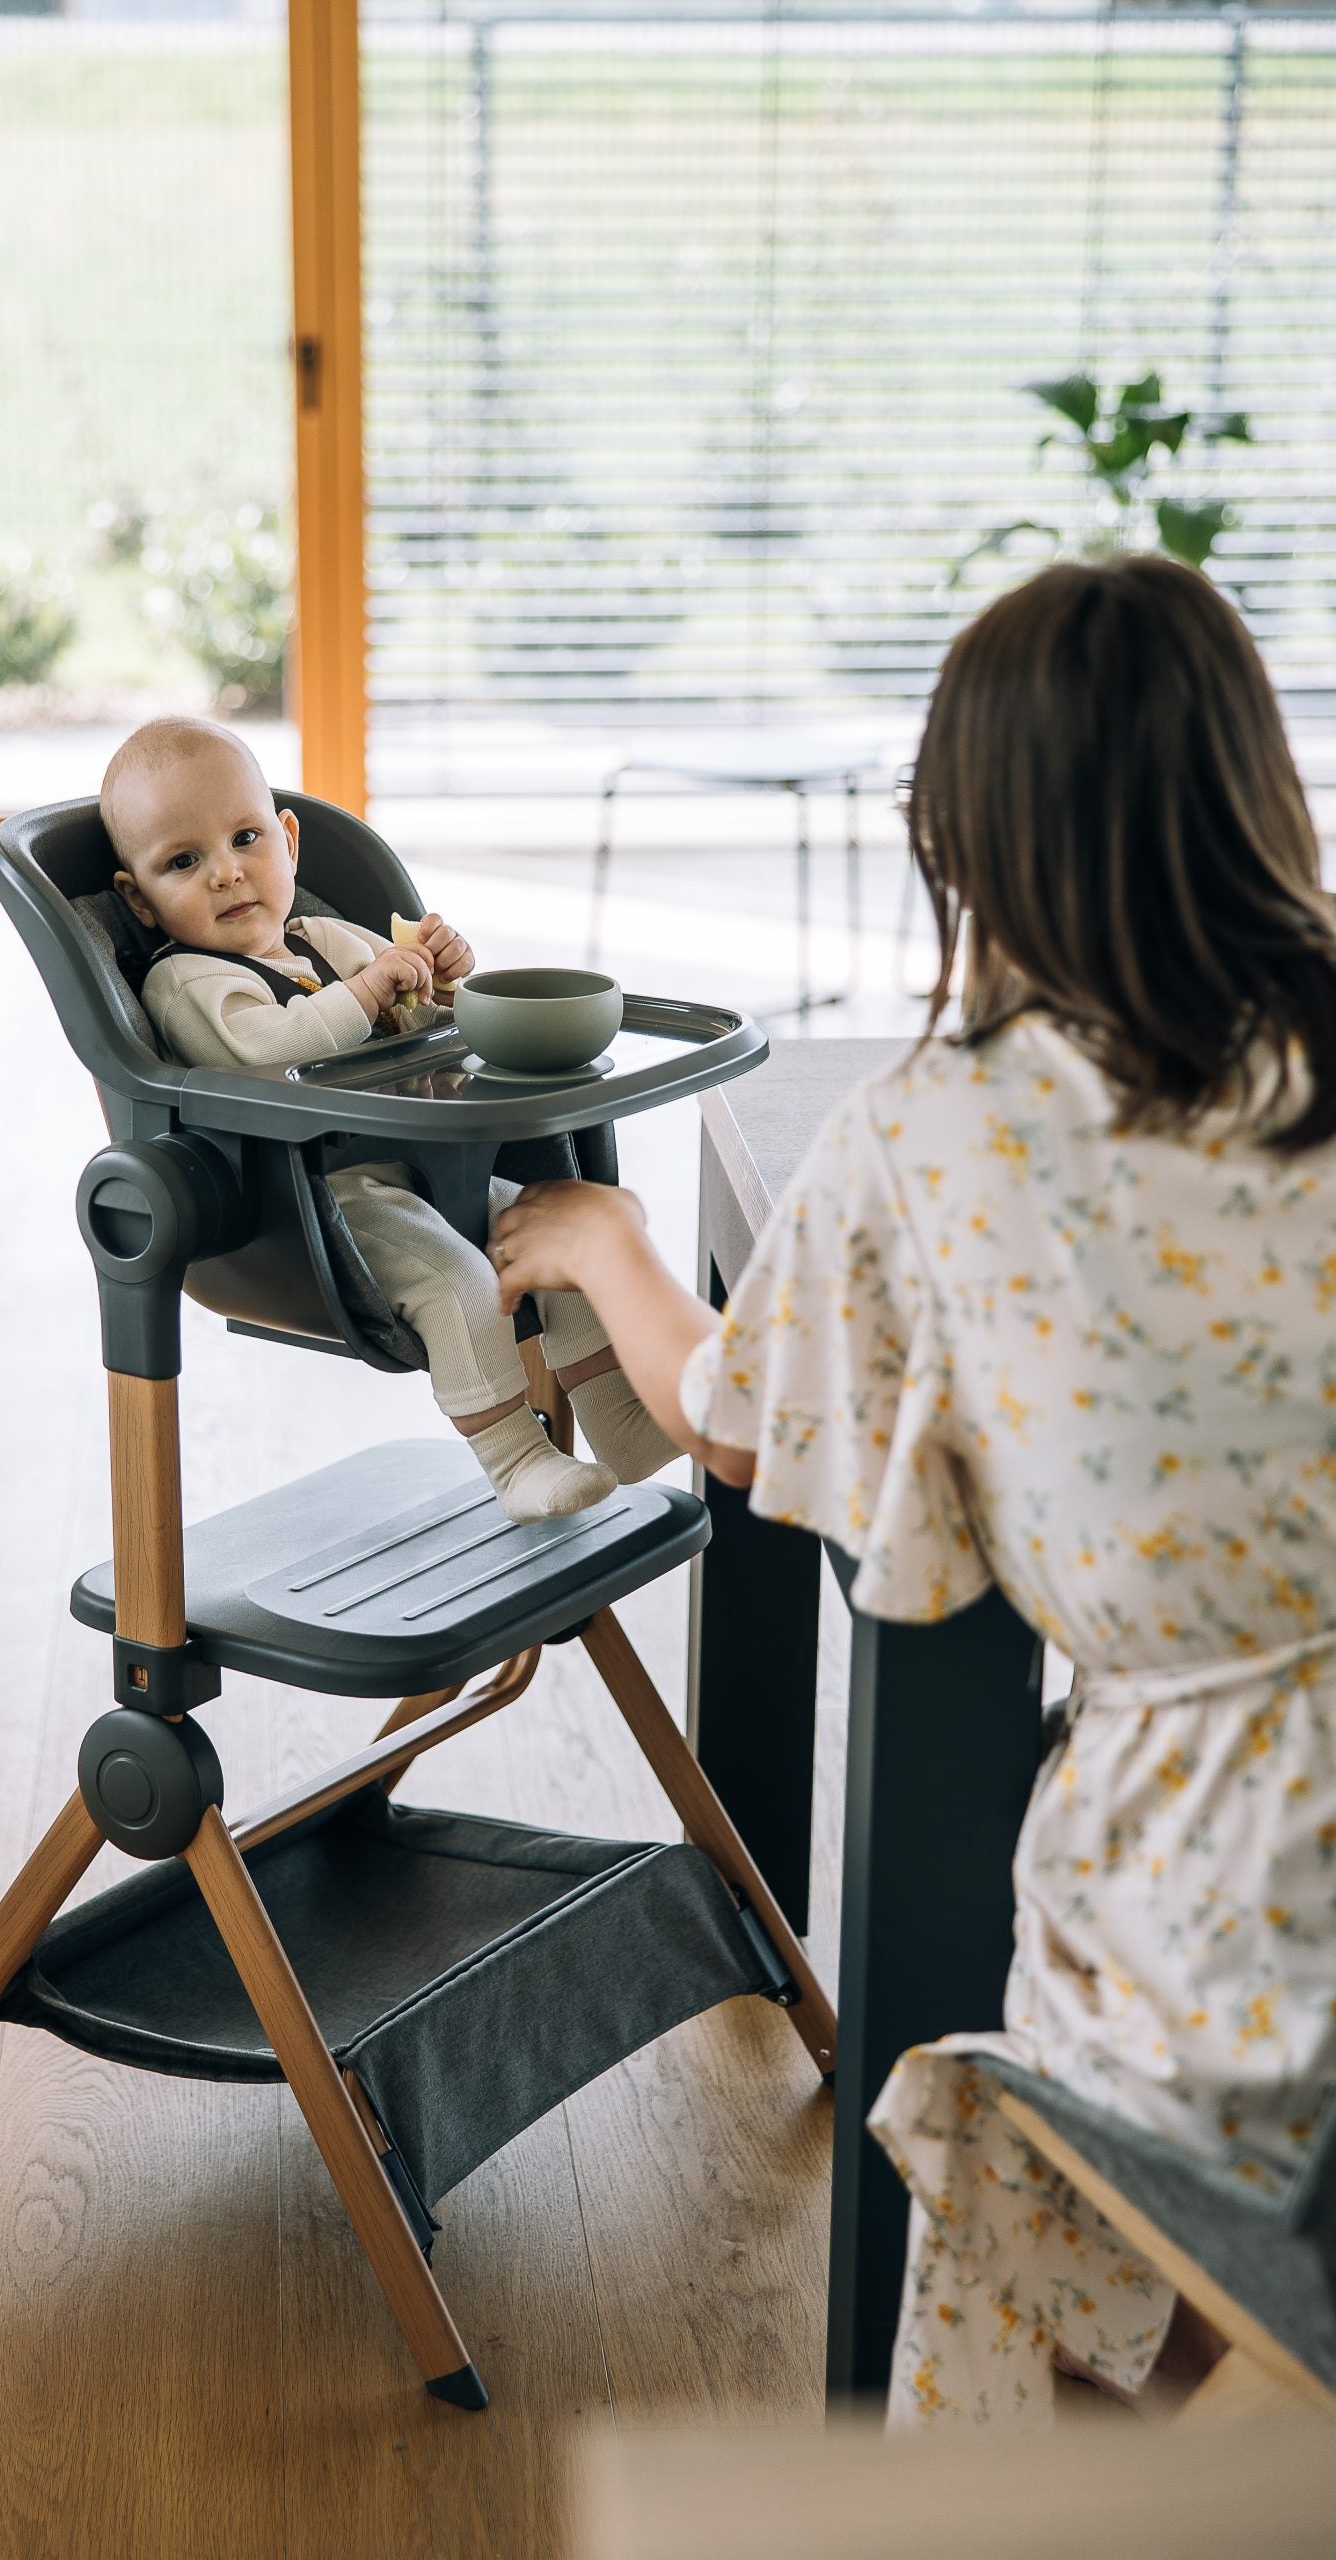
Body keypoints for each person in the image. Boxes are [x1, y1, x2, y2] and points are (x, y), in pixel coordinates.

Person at [488, 554, 1336, 2430]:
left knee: (1089, 2281)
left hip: (1225, 1885)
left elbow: (733, 1420)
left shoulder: (939, 1134)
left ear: (967, 842)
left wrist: (613, 1238)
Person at [100, 715, 676, 1522]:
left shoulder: (328, 939)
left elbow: (418, 1028)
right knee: (459, 1276)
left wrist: (440, 981)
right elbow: (267, 1050)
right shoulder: (188, 980)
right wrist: (368, 993)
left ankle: (621, 1416)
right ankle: (514, 1462)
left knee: (553, 1235)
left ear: (288, 842)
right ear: (140, 898)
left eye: (244, 837)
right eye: (184, 861)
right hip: (315, 1205)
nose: (227, 873)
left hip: (425, 1173)